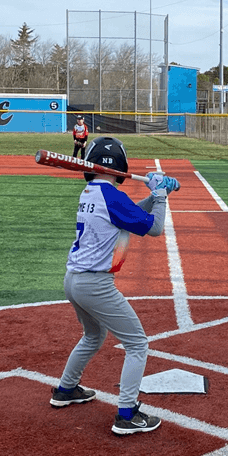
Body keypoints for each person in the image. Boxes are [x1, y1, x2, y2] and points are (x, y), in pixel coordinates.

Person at [50, 136, 181, 435]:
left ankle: (66, 389)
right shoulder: (112, 197)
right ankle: (127, 413)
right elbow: (154, 227)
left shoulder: (94, 192)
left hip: (74, 280)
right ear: (119, 165)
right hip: (96, 284)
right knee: (137, 343)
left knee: (94, 336)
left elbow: (129, 216)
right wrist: (159, 194)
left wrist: (159, 195)